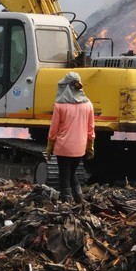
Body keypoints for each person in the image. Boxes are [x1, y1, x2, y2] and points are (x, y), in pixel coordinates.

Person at [46, 72, 95, 204]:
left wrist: (49, 147)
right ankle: (79, 200)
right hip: (79, 148)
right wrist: (90, 146)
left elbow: (53, 130)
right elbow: (91, 129)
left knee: (64, 175)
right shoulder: (88, 105)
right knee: (72, 173)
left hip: (63, 147)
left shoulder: (59, 105)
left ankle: (66, 203)